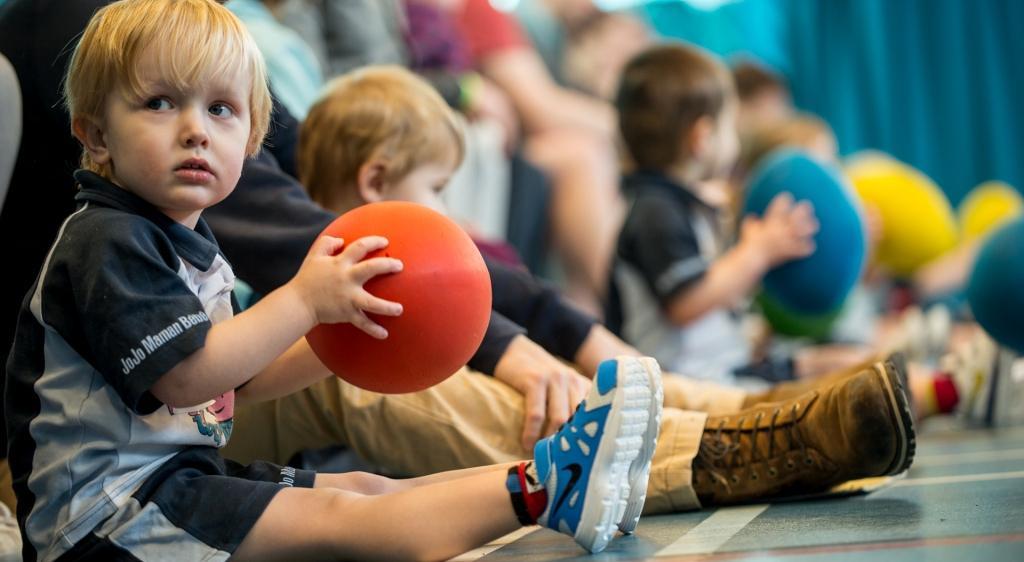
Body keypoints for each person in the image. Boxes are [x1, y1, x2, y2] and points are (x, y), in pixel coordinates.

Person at [4, 1, 660, 558]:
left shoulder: (187, 239)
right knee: (345, 522)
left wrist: (335, 338)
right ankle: (549, 489)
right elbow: (187, 378)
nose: (195, 131)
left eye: (222, 111)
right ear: (94, 134)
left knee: (366, 490)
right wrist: (304, 301)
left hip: (165, 475)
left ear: (253, 138)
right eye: (160, 103)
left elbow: (239, 379)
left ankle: (553, 486)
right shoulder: (106, 237)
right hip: (98, 517)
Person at [278, 63, 918, 519]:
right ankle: (716, 451)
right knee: (372, 372)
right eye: (437, 188)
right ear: (375, 182)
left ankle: (757, 412)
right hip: (299, 432)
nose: (447, 209)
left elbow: (522, 298)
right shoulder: (320, 276)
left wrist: (604, 359)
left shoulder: (431, 259)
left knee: (553, 370)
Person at [608, 42, 821, 384]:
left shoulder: (677, 203)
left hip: (718, 370)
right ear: (702, 138)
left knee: (829, 364)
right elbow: (686, 304)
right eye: (730, 126)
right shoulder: (654, 210)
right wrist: (756, 253)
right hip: (686, 384)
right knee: (830, 386)